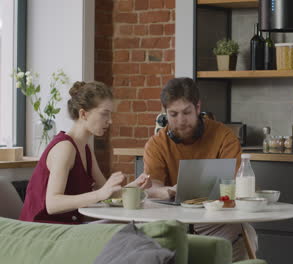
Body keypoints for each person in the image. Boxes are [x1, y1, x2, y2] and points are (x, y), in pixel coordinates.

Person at [143, 77, 256, 261]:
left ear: (197, 107)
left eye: (186, 112)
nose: (181, 121)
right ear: (165, 113)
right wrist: (168, 191)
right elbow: (152, 187)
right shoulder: (156, 144)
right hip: (173, 221)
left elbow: (235, 184)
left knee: (245, 234)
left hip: (216, 219)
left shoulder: (224, 136)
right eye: (173, 114)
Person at [20, 81, 151, 224]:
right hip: (43, 231)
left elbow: (107, 191)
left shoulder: (85, 148)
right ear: (83, 114)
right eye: (104, 114)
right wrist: (100, 194)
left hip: (67, 228)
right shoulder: (65, 148)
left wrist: (135, 186)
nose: (110, 121)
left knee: (123, 227)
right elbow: (52, 204)